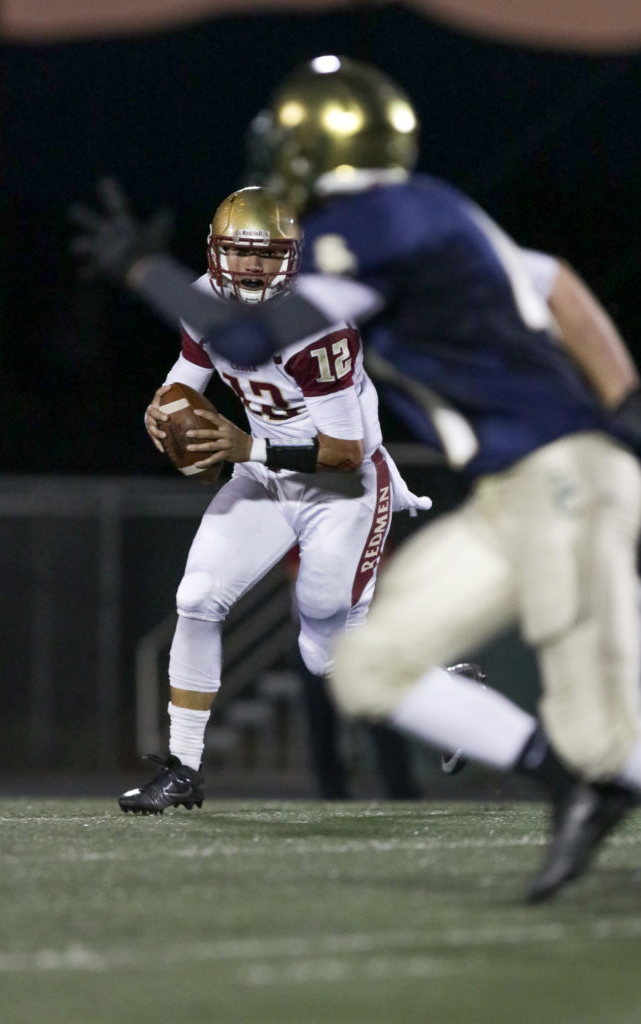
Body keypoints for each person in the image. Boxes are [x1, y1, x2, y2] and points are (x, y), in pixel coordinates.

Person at [70, 58, 641, 902]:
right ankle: (565, 782)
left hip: (377, 479)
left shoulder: (363, 237)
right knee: (336, 655)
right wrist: (168, 406)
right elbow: (554, 281)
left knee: (568, 694)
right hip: (496, 482)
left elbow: (313, 414)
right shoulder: (435, 210)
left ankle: (585, 777)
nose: (255, 264)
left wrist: (140, 274)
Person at [103, 185, 431, 814]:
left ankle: (440, 696)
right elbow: (187, 373)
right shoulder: (202, 298)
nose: (252, 266)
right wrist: (163, 403)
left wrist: (244, 447)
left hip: (343, 487)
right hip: (266, 474)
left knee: (321, 652)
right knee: (197, 597)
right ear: (215, 252)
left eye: (267, 253)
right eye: (240, 252)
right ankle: (183, 770)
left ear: (293, 257)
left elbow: (344, 450)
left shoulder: (316, 323)